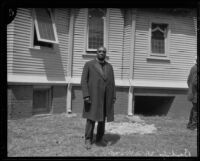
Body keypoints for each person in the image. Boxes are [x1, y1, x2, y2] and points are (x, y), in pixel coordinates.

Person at [81, 46, 116, 149]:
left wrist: (113, 96)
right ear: (96, 52)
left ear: (105, 54)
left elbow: (112, 83)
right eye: (100, 51)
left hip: (106, 97)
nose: (102, 53)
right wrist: (86, 95)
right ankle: (88, 139)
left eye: (104, 52)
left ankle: (100, 138)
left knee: (102, 119)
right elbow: (83, 81)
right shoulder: (89, 64)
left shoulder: (109, 67)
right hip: (93, 96)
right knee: (91, 118)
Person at [186, 56, 197, 130]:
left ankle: (190, 124)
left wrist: (190, 89)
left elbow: (188, 80)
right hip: (195, 93)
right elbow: (195, 82)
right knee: (196, 110)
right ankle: (193, 126)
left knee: (194, 109)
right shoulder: (196, 68)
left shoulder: (193, 67)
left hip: (193, 92)